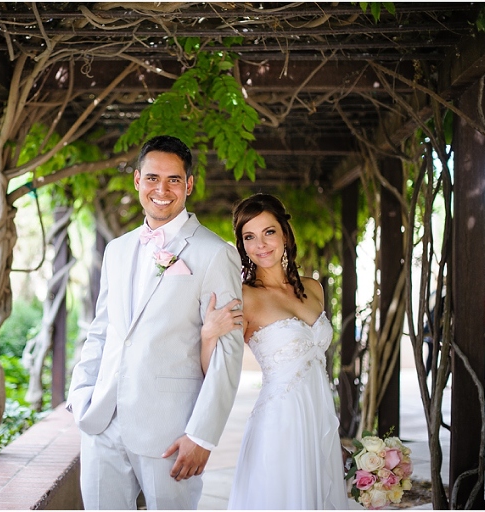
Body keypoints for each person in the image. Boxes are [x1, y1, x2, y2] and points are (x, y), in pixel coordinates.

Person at [66, 135, 245, 510]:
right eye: (152, 178)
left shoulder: (215, 254)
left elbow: (228, 352)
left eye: (174, 179)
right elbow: (102, 331)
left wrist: (203, 435)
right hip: (102, 423)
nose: (161, 189)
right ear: (137, 180)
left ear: (189, 184)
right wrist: (81, 392)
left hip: (171, 432)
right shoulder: (116, 250)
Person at [200, 193, 349, 509]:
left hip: (319, 418)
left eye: (268, 232)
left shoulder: (313, 288)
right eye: (249, 237)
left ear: (284, 233)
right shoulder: (244, 296)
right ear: (242, 245)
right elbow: (214, 369)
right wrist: (208, 333)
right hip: (279, 423)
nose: (261, 244)